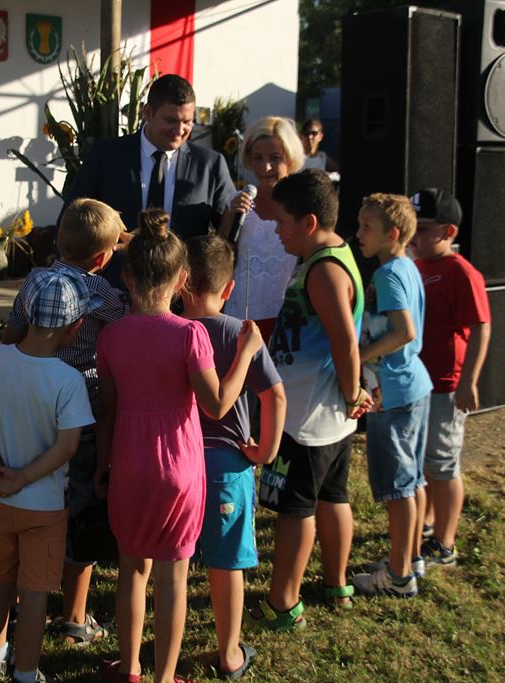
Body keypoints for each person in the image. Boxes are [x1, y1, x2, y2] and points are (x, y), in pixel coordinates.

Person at [94, 211, 262, 683]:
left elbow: (106, 410)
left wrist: (102, 466)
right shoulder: (191, 334)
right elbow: (217, 405)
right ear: (183, 279)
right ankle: (165, 677)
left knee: (132, 571)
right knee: (173, 577)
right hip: (180, 471)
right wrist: (246, 353)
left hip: (128, 462)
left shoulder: (111, 336)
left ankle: (128, 670)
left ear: (126, 276)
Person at [0, 269, 99, 683]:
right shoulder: (68, 380)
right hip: (44, 506)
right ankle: (26, 672)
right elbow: (67, 447)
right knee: (35, 593)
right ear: (75, 327)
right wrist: (22, 477)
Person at [2, 198, 128, 646]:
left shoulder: (33, 282)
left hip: (32, 411)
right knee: (80, 512)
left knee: (32, 501)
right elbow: (130, 323)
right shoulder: (104, 296)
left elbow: (13, 332)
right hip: (84, 415)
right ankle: (75, 614)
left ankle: (15, 601)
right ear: (102, 257)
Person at [251, 169, 371, 631]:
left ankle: (284, 602)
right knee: (333, 496)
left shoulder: (323, 270)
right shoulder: (329, 252)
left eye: (281, 222)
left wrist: (351, 391)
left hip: (309, 416)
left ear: (308, 222)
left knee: (295, 509)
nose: (276, 230)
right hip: (329, 417)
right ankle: (336, 583)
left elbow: (344, 341)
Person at [180, 234, 286, 679]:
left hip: (179, 463)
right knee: (226, 566)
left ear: (179, 282)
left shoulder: (172, 330)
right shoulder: (240, 333)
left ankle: (169, 644)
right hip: (229, 466)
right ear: (228, 290)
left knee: (175, 563)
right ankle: (229, 655)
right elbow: (274, 396)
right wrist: (266, 451)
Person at [66, 73, 236, 285]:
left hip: (181, 294)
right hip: (112, 290)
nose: (180, 130)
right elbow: (71, 218)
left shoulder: (210, 165)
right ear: (147, 112)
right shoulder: (107, 156)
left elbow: (227, 235)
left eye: (187, 122)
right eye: (171, 120)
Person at [352, 192, 433, 598]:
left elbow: (405, 331)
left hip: (394, 393)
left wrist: (358, 357)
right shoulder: (403, 265)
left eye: (368, 227)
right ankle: (410, 559)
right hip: (412, 386)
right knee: (412, 481)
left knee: (398, 488)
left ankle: (399, 578)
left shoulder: (386, 275)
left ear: (393, 234)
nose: (359, 233)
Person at [409, 188, 491, 569]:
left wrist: (468, 381)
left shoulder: (461, 272)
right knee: (424, 462)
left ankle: (445, 541)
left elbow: (481, 327)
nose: (415, 237)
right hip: (418, 384)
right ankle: (427, 523)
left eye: (423, 229)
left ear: (449, 232)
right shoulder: (417, 266)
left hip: (445, 384)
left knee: (443, 465)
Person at [220, 116, 304, 342]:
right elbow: (221, 257)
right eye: (257, 158)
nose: (265, 167)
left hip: (287, 320)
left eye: (274, 158)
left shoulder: (304, 205)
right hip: (241, 318)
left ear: (290, 158)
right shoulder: (237, 202)